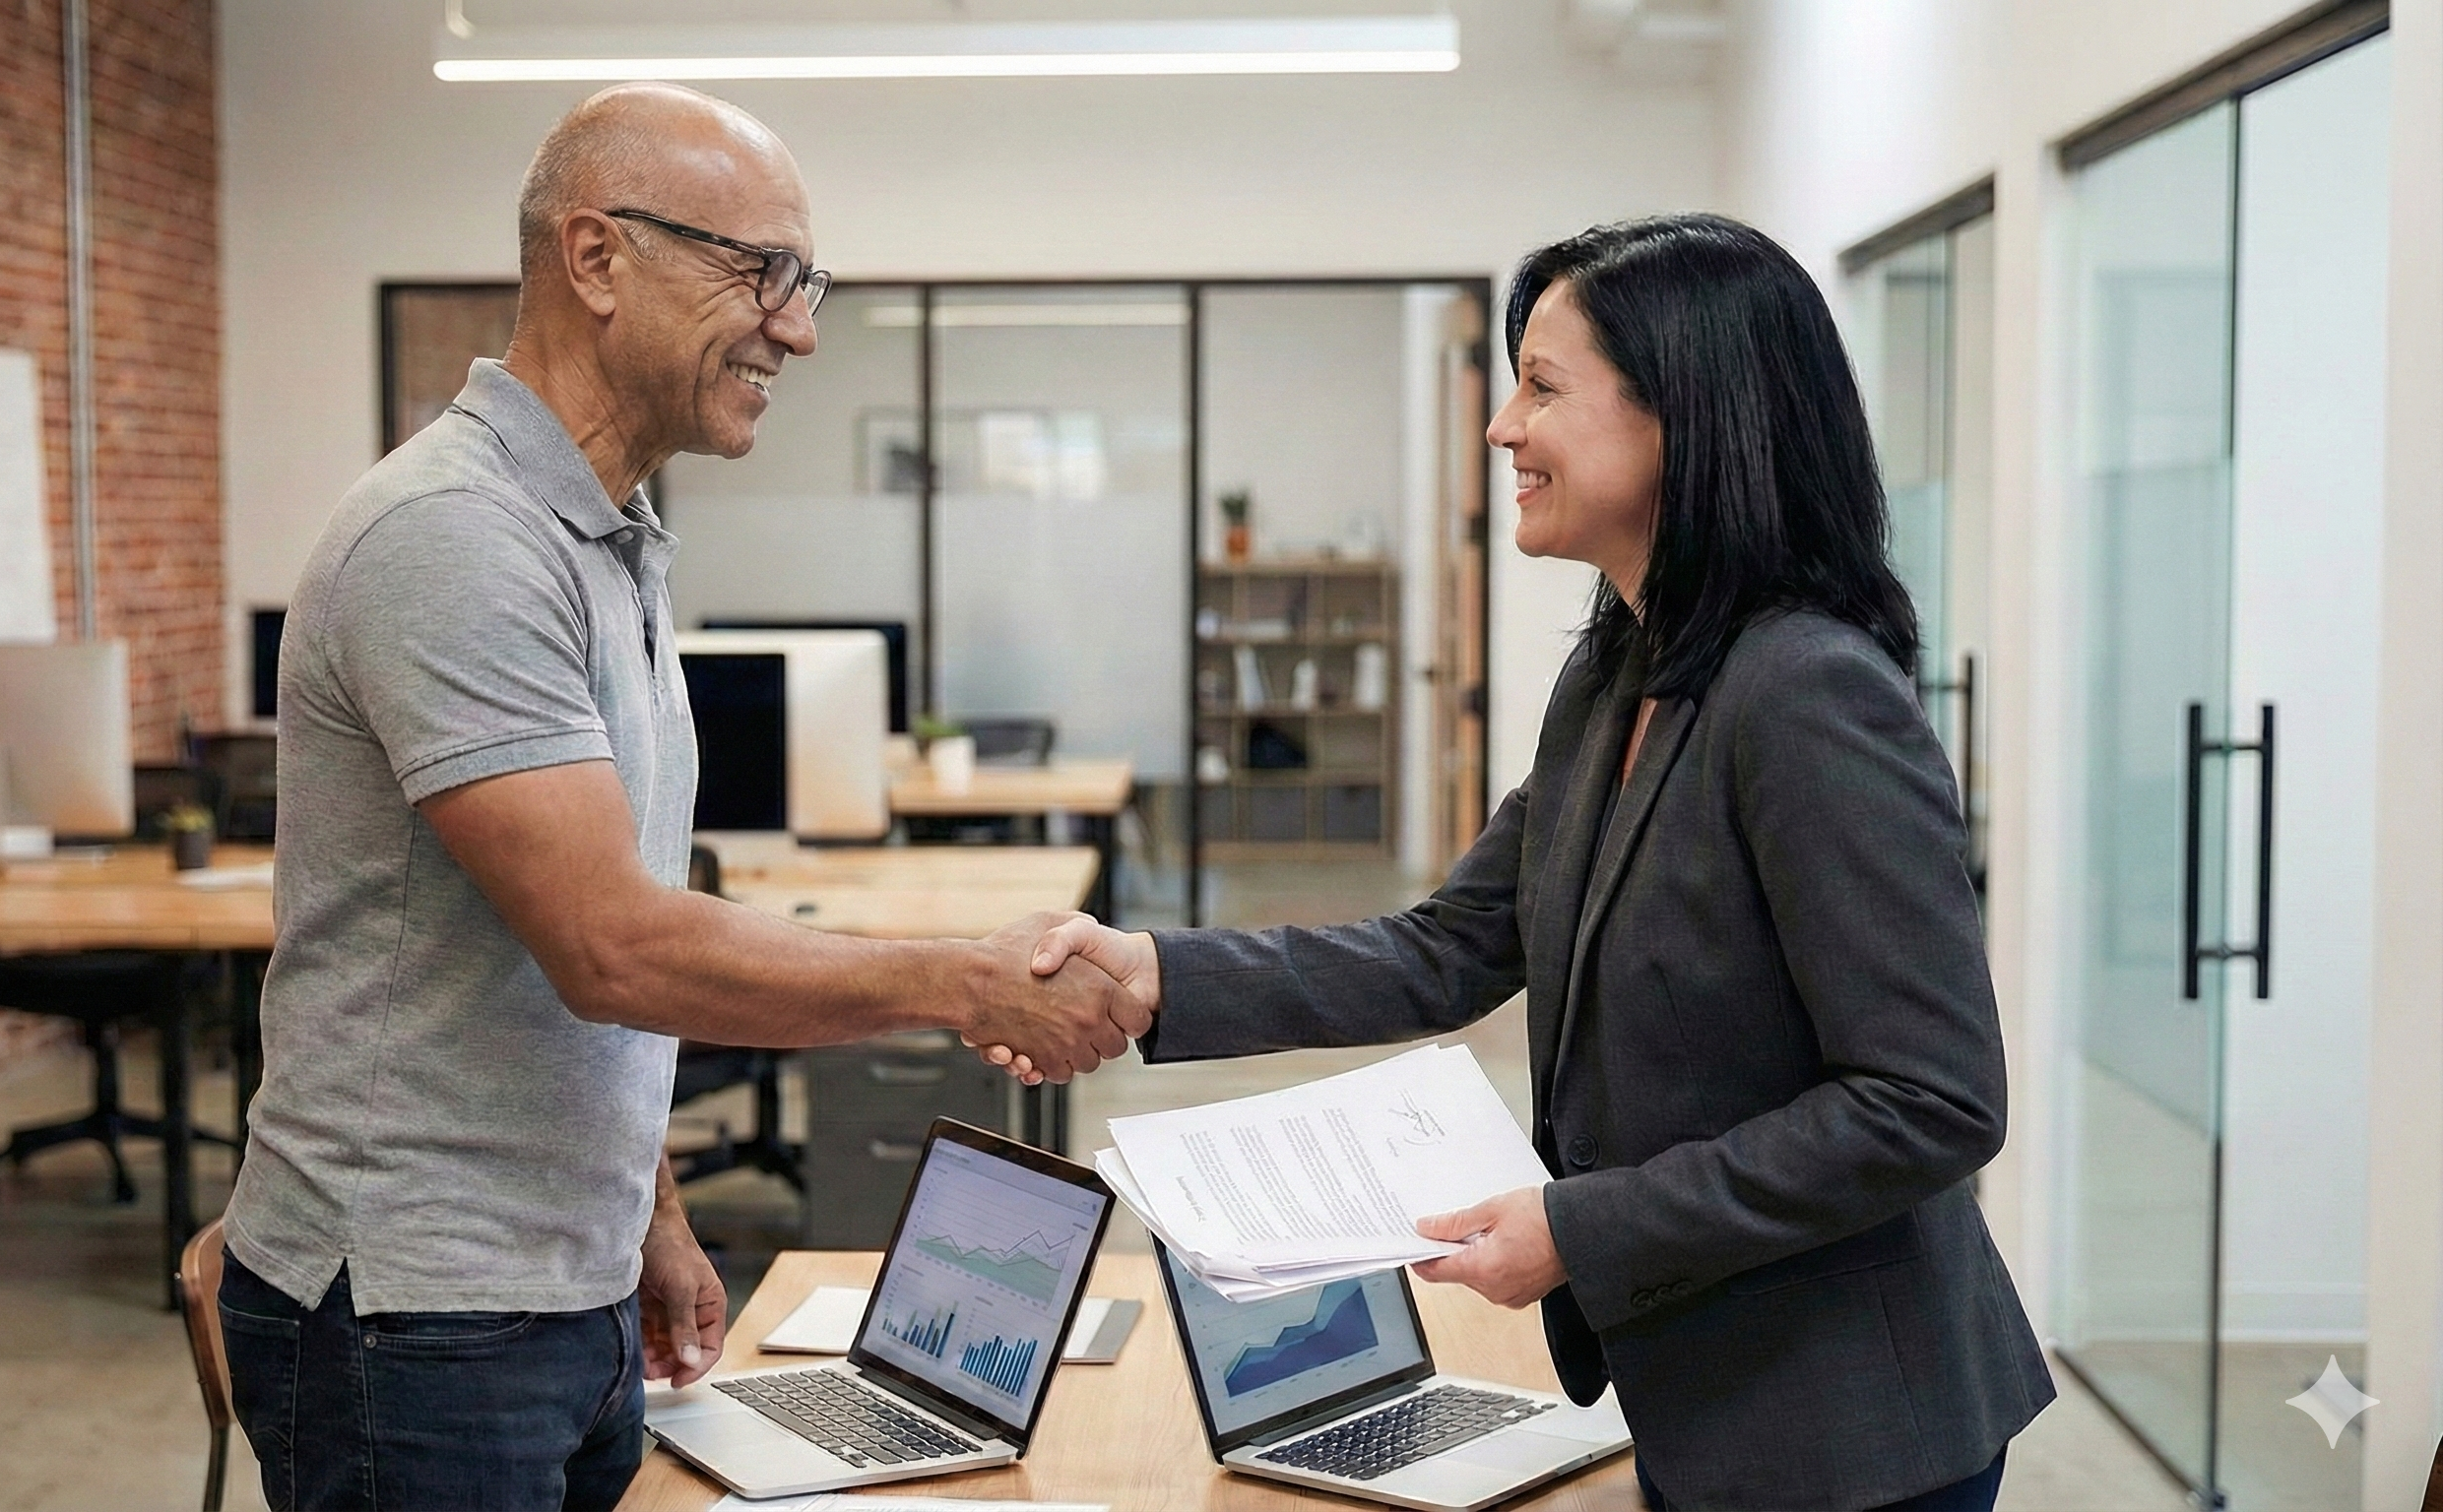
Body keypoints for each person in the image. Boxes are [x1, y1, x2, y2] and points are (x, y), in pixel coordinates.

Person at [1011, 215, 2053, 1511]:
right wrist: (1154, 973)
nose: (1502, 430)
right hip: (1699, 1390)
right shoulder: (1620, 668)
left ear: (1685, 416)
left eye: (1542, 388)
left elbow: (1933, 1101)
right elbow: (1450, 947)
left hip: (1846, 1431)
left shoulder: (1807, 696)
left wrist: (1578, 1229)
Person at [217, 83, 1147, 1512]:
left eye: (806, 281)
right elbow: (615, 949)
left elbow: (598, 932)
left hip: (553, 1280)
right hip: (418, 1310)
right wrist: (963, 981)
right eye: (761, 272)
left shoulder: (605, 536)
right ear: (597, 260)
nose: (799, 326)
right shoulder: (456, 538)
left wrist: (642, 1209)